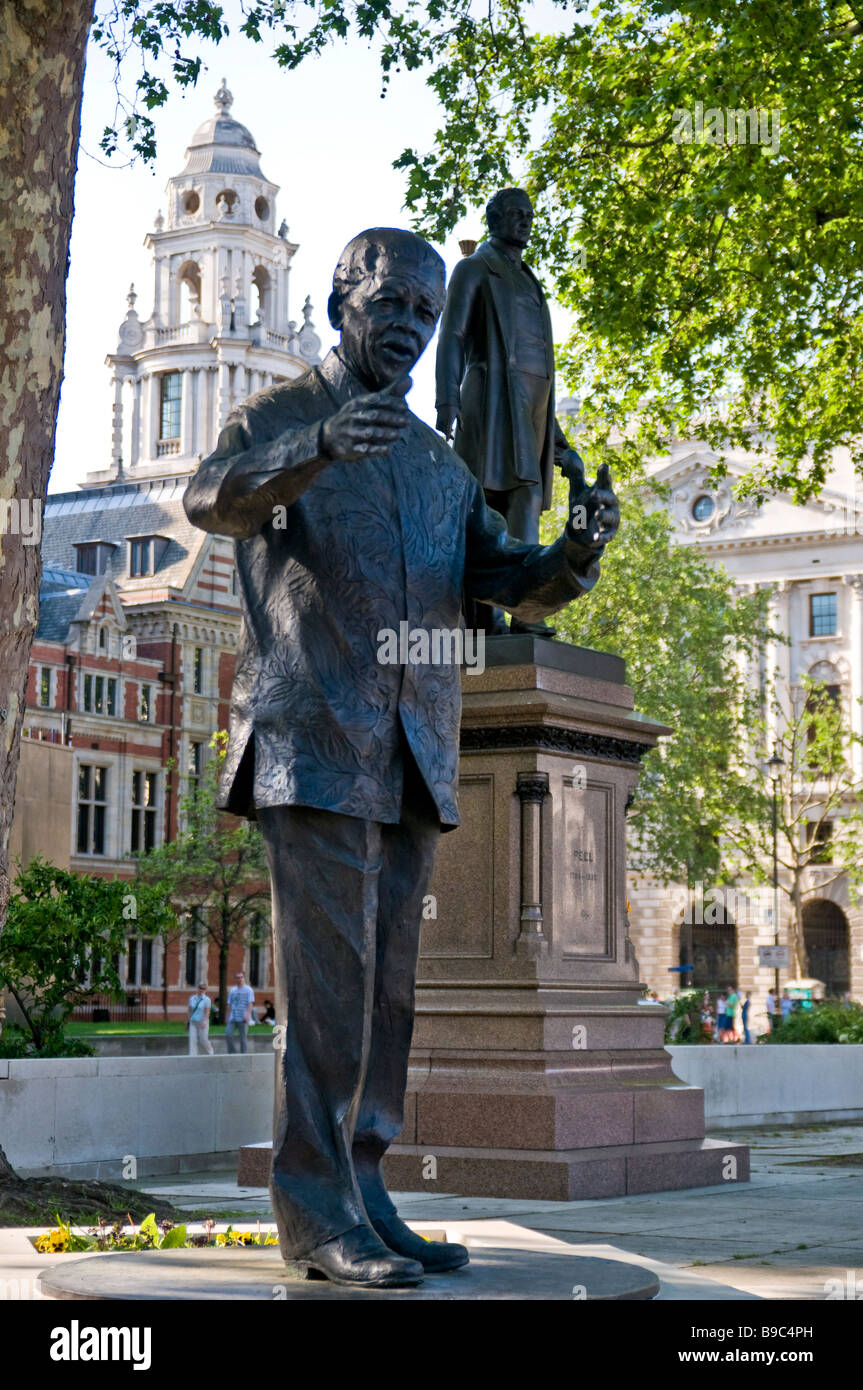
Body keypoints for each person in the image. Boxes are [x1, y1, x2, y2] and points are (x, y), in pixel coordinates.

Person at [184, 226, 619, 1289]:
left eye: (426, 316)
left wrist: (571, 552)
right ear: (343, 303)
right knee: (327, 998)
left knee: (387, 1001)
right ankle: (314, 1215)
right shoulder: (281, 417)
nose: (412, 332)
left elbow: (502, 575)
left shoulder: (436, 462)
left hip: (415, 753)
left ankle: (365, 1193)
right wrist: (322, 445)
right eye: (392, 307)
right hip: (313, 742)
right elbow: (211, 497)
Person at [435, 187, 587, 636]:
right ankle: (487, 617)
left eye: (529, 214)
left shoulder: (529, 278)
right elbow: (453, 337)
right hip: (492, 404)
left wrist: (555, 436)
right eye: (515, 214)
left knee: (528, 501)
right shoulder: (474, 269)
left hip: (534, 414)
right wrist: (448, 399)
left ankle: (524, 613)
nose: (525, 221)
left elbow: (540, 365)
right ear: (494, 218)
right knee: (490, 505)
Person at [225, 971, 255, 1054]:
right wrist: (227, 1017)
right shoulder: (232, 990)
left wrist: (248, 1015)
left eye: (241, 977)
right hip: (233, 1017)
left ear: (244, 978)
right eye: (238, 977)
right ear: (235, 979)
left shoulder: (248, 990)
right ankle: (232, 1053)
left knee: (243, 1038)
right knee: (228, 1035)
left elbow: (250, 1004)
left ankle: (243, 1055)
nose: (240, 979)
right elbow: (229, 1004)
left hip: (243, 1018)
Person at [187, 981, 213, 1056]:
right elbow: (189, 1010)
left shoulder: (207, 1000)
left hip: (202, 1022)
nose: (202, 990)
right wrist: (188, 1020)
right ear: (197, 988)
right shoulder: (192, 998)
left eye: (204, 989)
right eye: (200, 988)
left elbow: (207, 1012)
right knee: (192, 1040)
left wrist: (204, 1021)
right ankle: (193, 1055)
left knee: (203, 1039)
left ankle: (210, 1051)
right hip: (193, 1022)